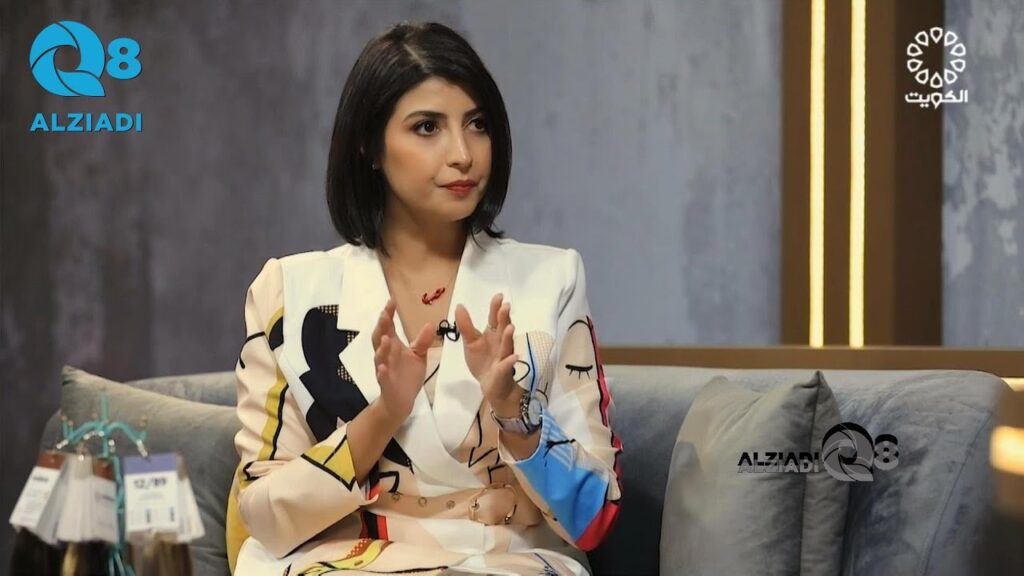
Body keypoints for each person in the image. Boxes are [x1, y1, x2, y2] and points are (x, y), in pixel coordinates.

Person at [229, 21, 622, 576]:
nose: (463, 154)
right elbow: (264, 516)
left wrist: (513, 409)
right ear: (369, 145)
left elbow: (594, 517)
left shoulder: (550, 279)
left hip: (505, 565)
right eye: (427, 127)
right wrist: (385, 414)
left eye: (477, 125)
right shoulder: (290, 293)